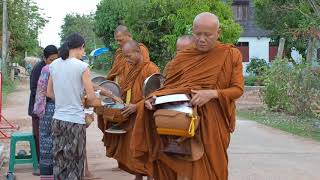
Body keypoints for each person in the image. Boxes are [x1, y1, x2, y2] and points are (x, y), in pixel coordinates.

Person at [132, 12, 244, 180]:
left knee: (213, 169)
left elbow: (237, 89)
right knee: (182, 169)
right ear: (193, 31)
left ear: (218, 33)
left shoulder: (230, 54)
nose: (202, 39)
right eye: (197, 34)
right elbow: (168, 89)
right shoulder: (183, 58)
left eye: (208, 35)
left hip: (214, 123)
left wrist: (212, 94)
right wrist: (153, 100)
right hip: (182, 121)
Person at [102, 40, 159, 180]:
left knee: (147, 147)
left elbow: (156, 95)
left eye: (129, 56)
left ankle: (150, 176)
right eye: (125, 57)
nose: (127, 60)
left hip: (146, 115)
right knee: (133, 148)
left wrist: (136, 106)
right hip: (131, 114)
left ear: (138, 52)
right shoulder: (130, 68)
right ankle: (138, 175)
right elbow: (125, 88)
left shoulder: (150, 69)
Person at [47, 33, 100, 180]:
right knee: (75, 164)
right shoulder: (82, 66)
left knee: (59, 161)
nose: (83, 53)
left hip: (57, 120)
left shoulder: (54, 65)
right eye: (84, 49)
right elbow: (91, 98)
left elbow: (49, 93)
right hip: (75, 122)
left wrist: (65, 99)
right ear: (81, 47)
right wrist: (98, 102)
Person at [28, 45, 58, 175]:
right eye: (51, 59)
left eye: (56, 59)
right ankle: (41, 166)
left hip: (51, 106)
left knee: (51, 137)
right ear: (44, 58)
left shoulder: (55, 68)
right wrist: (48, 96)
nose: (54, 62)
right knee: (40, 136)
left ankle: (51, 163)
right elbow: (34, 89)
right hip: (39, 108)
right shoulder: (39, 69)